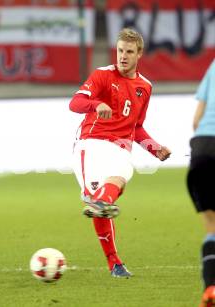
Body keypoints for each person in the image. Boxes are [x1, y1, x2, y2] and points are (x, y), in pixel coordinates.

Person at [69, 28, 171, 278]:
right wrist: (96, 104)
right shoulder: (103, 75)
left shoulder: (145, 87)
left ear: (139, 54)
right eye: (120, 50)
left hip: (119, 148)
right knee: (97, 202)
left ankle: (103, 202)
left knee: (122, 173)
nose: (123, 56)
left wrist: (154, 148)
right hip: (91, 144)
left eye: (129, 52)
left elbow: (136, 127)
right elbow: (75, 104)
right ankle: (114, 262)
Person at [187, 59, 215, 306]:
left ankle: (211, 289)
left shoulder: (214, 65)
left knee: (212, 227)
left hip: (202, 148)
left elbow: (197, 120)